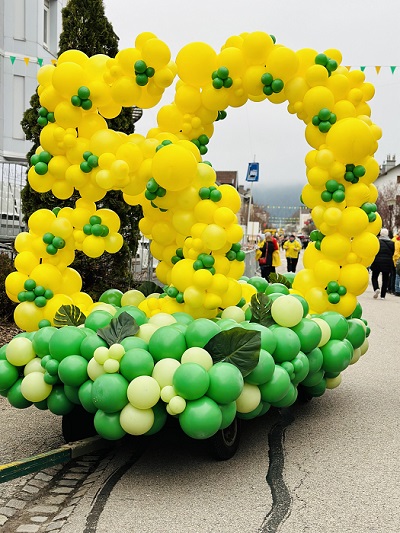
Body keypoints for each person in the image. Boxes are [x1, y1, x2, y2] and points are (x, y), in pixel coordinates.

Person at [370, 228, 395, 300]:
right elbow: (392, 253)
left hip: (377, 261)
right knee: (385, 279)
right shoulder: (392, 243)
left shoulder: (377, 241)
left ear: (381, 234)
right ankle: (383, 295)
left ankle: (376, 288)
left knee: (374, 276)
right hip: (387, 262)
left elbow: (374, 251)